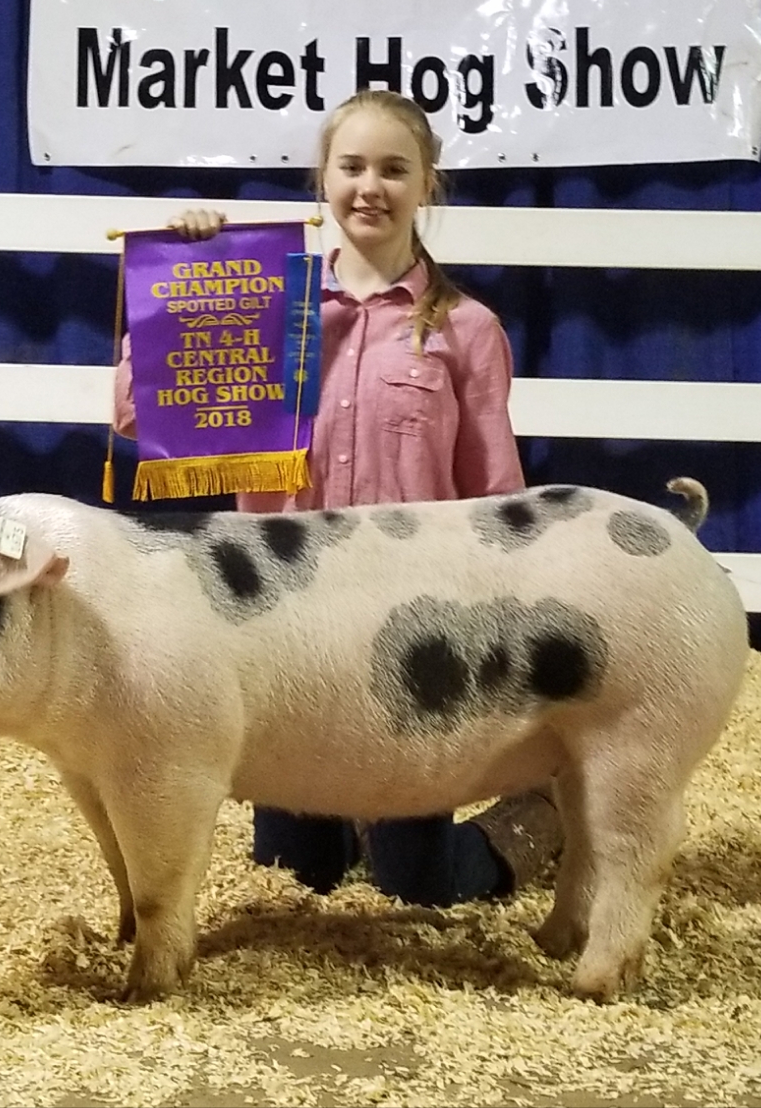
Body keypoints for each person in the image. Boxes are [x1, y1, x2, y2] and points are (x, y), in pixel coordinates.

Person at [113, 88, 561, 907]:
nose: (370, 187)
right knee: (298, 876)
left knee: (414, 885)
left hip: (414, 631)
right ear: (322, 178)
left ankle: (535, 821)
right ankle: (344, 829)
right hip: (285, 625)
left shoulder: (466, 329)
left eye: (394, 169)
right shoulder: (255, 300)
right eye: (352, 166)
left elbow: (497, 500)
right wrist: (183, 280)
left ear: (426, 184)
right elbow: (136, 415)